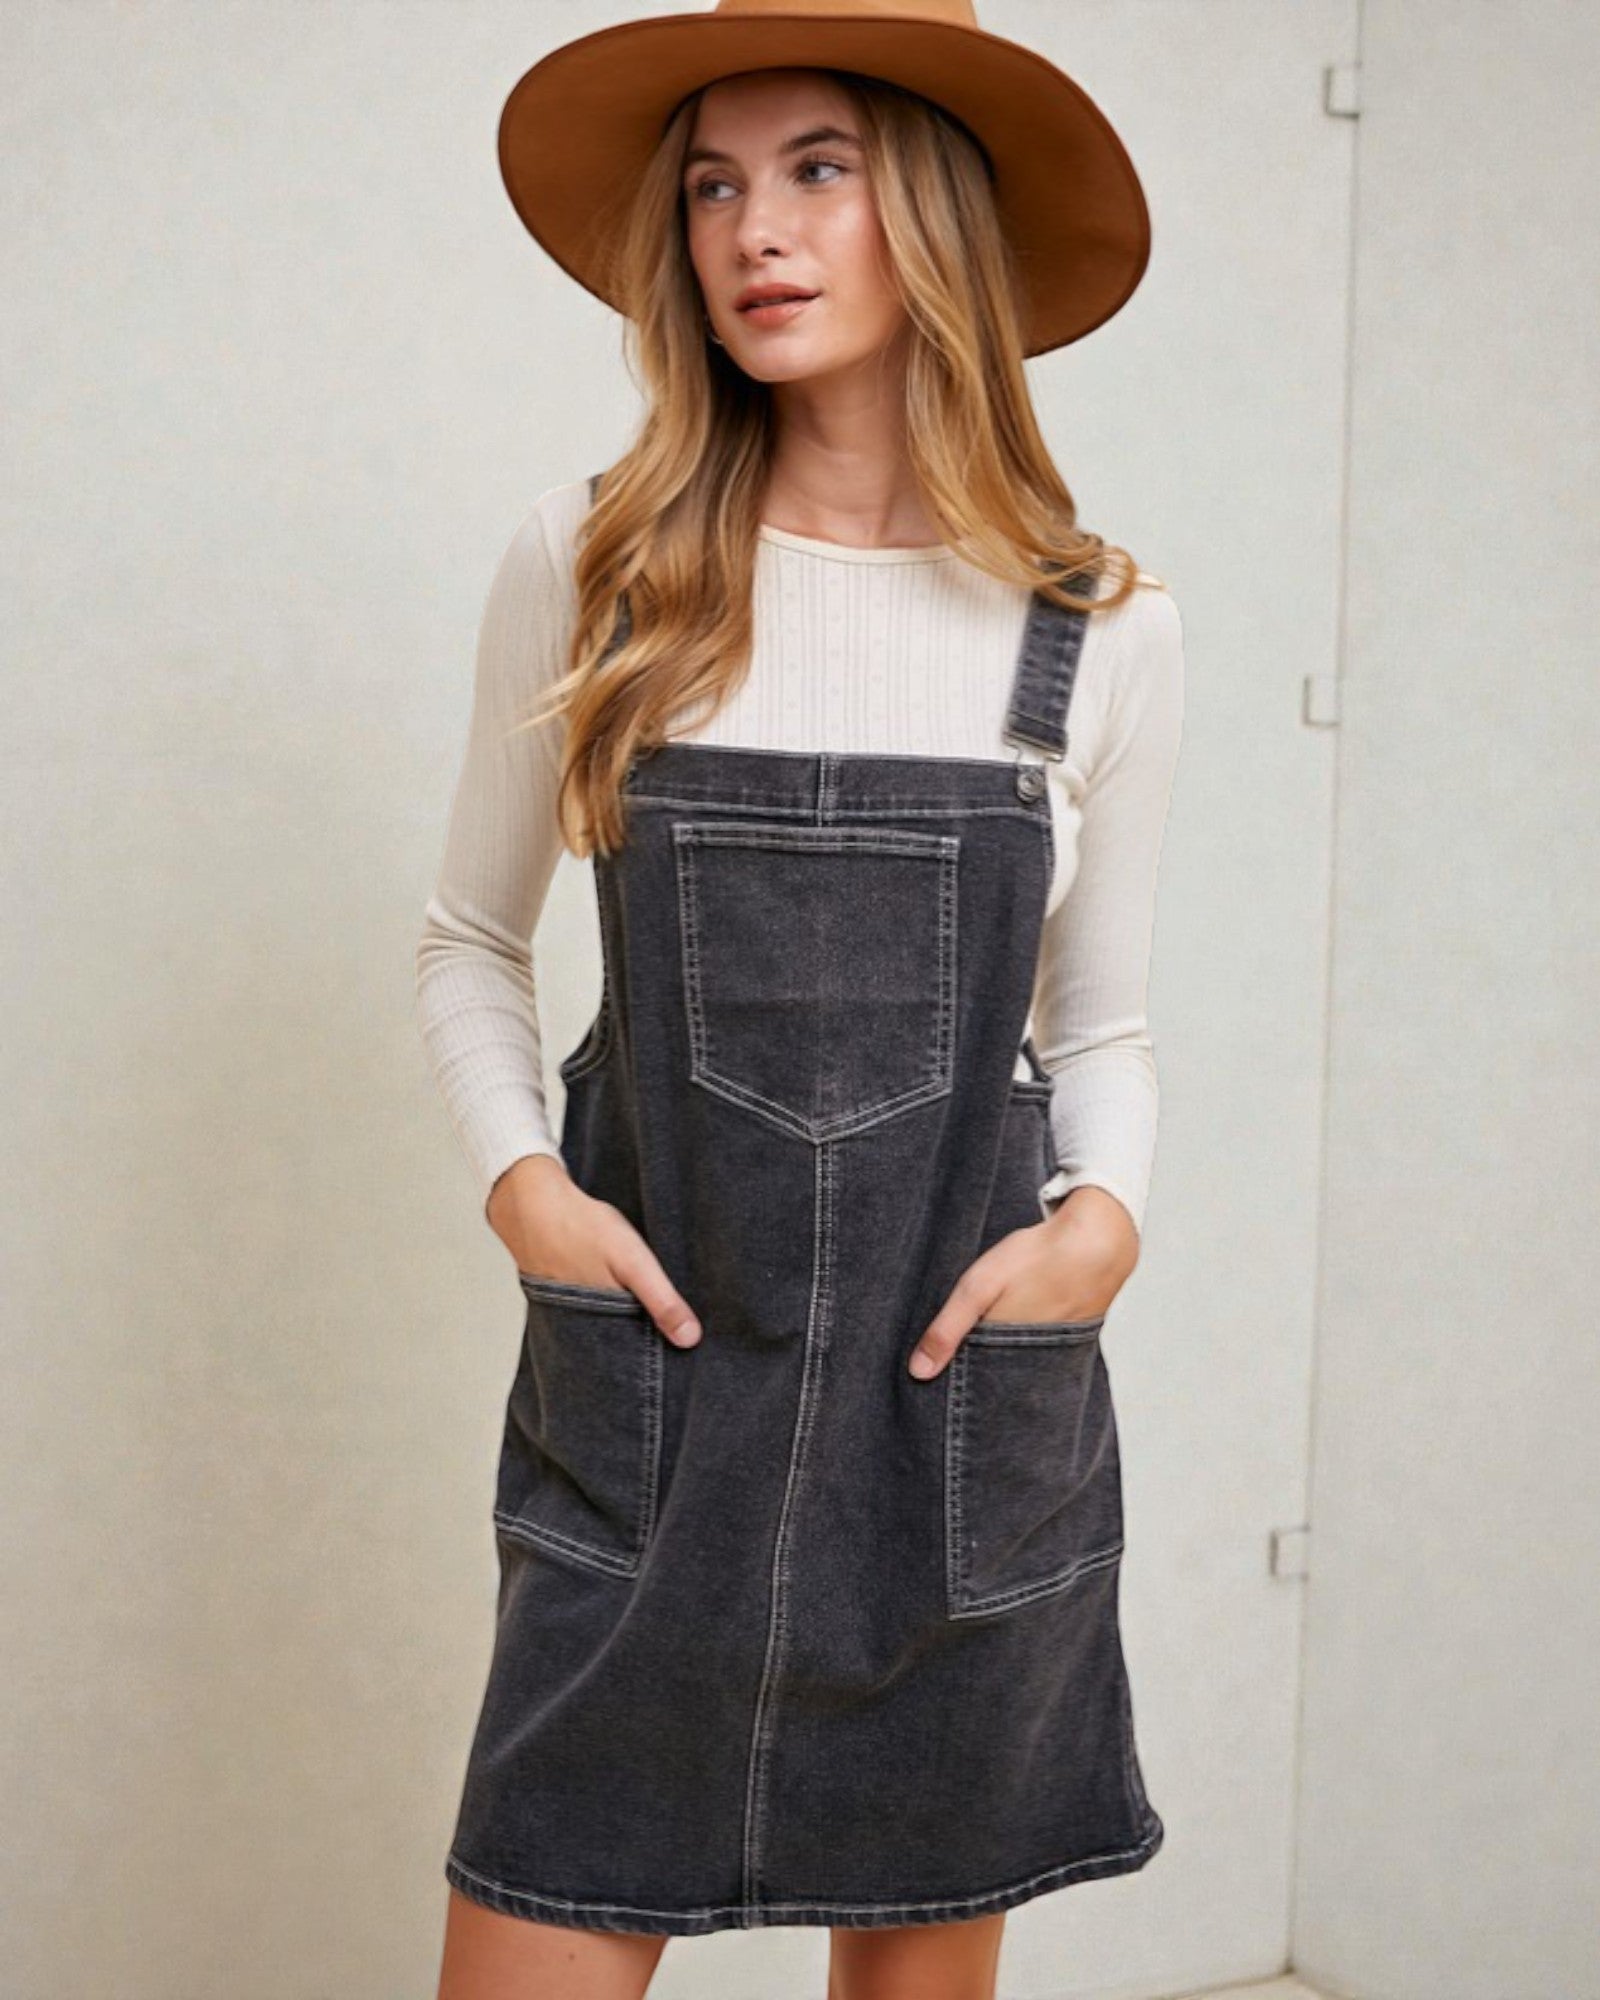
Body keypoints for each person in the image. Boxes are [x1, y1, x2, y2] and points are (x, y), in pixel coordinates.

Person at [416, 6, 1184, 1995]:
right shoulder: (592, 569)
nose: (752, 229)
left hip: (951, 1433)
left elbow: (1097, 1022)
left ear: (923, 209)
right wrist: (526, 1192)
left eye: (816, 169)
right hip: (652, 1413)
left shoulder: (1090, 623)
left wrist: (1097, 1229)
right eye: (710, 185)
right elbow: (464, 940)